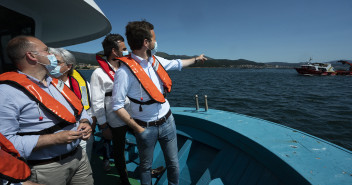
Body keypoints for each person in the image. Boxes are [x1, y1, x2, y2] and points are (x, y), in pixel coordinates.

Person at [112, 20, 207, 185]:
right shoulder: (124, 72)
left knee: (173, 163)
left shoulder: (155, 61)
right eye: (154, 38)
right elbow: (117, 106)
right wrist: (137, 129)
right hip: (145, 127)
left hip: (167, 121)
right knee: (145, 166)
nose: (156, 41)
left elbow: (178, 63)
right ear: (146, 42)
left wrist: (196, 59)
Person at [0, 36, 94, 185]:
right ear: (32, 56)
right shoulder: (6, 93)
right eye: (46, 50)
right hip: (47, 169)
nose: (53, 55)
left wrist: (85, 121)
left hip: (79, 158)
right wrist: (54, 139)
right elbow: (6, 143)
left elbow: (79, 110)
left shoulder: (57, 84)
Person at [90, 33, 131, 184]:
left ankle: (144, 170)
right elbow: (97, 102)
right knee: (119, 152)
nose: (127, 51)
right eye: (124, 48)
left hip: (132, 115)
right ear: (114, 51)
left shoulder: (126, 68)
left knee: (144, 139)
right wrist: (104, 126)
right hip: (115, 120)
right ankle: (125, 179)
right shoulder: (98, 74)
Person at [48, 47, 96, 161]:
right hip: (54, 140)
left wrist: (89, 130)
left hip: (81, 136)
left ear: (69, 66)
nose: (52, 66)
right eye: (50, 62)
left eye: (57, 62)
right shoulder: (42, 85)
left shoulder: (82, 85)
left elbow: (89, 109)